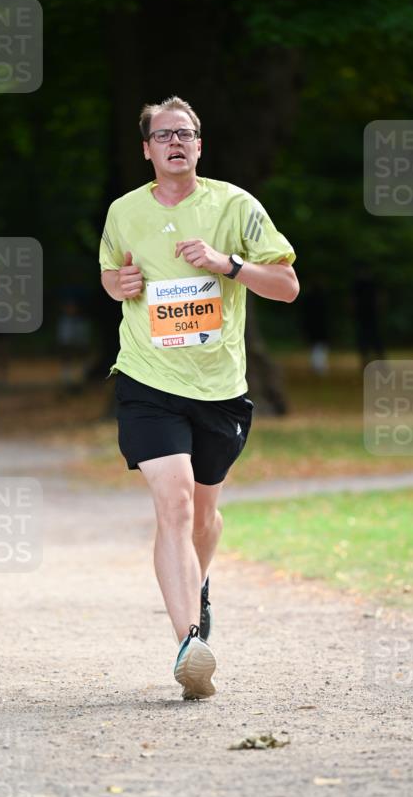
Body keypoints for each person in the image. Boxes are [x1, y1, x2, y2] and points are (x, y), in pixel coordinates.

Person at [99, 96, 298, 701]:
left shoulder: (235, 205)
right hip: (146, 381)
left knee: (205, 514)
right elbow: (110, 273)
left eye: (186, 134)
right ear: (147, 149)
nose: (175, 143)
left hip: (219, 388)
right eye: (164, 135)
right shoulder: (124, 211)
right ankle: (191, 646)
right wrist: (118, 284)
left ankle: (198, 588)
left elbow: (287, 287)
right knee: (176, 503)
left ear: (200, 145)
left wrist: (228, 264)